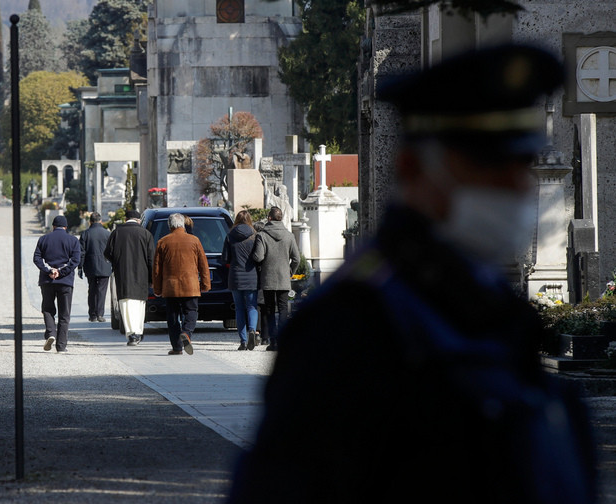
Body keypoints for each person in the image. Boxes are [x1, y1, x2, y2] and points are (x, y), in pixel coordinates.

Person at [229, 44, 597, 503]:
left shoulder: (490, 307)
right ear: (413, 168)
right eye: (485, 165)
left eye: (521, 165)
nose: (514, 186)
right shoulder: (351, 323)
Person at [152, 213, 211, 355]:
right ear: (183, 225)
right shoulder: (194, 240)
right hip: (190, 285)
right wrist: (205, 284)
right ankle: (187, 333)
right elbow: (203, 264)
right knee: (191, 311)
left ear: (170, 225)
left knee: (172, 316)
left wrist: (157, 288)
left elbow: (157, 269)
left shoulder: (162, 242)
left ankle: (177, 347)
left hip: (170, 287)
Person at [252, 206, 300, 351]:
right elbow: (296, 258)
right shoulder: (289, 235)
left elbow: (258, 256)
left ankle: (272, 341)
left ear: (269, 218)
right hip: (284, 277)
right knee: (284, 309)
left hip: (268, 277)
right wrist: (291, 271)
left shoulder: (262, 235)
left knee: (269, 310)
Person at [104, 209, 154, 346]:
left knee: (126, 304)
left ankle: (132, 334)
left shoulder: (117, 233)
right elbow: (151, 259)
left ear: (126, 219)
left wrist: (116, 261)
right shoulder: (146, 234)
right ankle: (138, 331)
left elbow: (107, 252)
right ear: (138, 220)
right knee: (139, 304)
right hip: (141, 275)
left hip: (123, 274)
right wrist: (152, 279)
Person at [33, 215, 81, 353]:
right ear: (66, 227)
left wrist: (48, 270)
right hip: (65, 282)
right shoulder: (72, 240)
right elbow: (75, 260)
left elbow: (36, 258)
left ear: (53, 226)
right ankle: (61, 346)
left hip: (47, 280)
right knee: (64, 314)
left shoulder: (43, 239)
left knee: (47, 309)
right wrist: (62, 272)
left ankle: (50, 333)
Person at [222, 210, 260, 350]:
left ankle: (243, 341)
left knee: (239, 308)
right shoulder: (254, 236)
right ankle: (252, 330)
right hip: (251, 275)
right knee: (251, 306)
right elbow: (259, 256)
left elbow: (225, 258)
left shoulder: (230, 236)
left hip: (235, 276)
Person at [78, 212, 112, 322]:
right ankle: (100, 314)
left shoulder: (85, 234)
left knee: (92, 289)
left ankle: (92, 314)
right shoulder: (107, 234)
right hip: (105, 265)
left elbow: (81, 252)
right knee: (102, 290)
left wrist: (80, 267)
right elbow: (112, 251)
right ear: (101, 221)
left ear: (90, 221)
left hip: (90, 265)